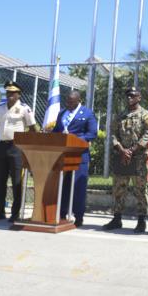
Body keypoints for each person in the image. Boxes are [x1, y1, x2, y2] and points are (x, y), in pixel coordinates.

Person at [103, 87, 148, 233]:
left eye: (132, 95)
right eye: (127, 96)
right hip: (122, 157)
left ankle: (141, 221)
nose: (129, 98)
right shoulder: (120, 116)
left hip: (138, 159)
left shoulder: (145, 115)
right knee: (119, 189)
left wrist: (132, 150)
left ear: (139, 97)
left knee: (140, 190)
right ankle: (117, 218)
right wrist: (121, 149)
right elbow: (113, 134)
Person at [52, 90, 97, 228]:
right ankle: (62, 213)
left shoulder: (88, 113)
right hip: (62, 156)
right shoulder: (62, 113)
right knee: (62, 186)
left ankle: (79, 216)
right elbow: (56, 131)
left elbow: (92, 134)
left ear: (79, 100)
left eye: (71, 102)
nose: (68, 104)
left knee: (78, 187)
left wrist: (74, 140)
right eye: (67, 101)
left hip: (79, 156)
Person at [0, 81, 37, 222]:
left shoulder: (25, 108)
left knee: (17, 181)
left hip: (16, 148)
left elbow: (32, 128)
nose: (9, 95)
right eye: (7, 93)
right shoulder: (0, 108)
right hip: (1, 147)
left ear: (19, 95)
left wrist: (28, 148)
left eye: (12, 93)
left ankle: (15, 213)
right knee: (0, 181)